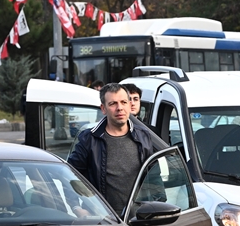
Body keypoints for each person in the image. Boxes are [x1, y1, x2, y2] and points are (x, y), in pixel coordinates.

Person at [67, 83, 168, 217]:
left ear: (129, 105)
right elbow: (70, 176)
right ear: (103, 108)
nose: (119, 108)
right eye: (113, 103)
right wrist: (76, 207)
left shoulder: (143, 135)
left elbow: (153, 176)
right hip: (102, 218)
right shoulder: (89, 139)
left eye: (123, 102)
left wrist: (159, 204)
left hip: (139, 217)